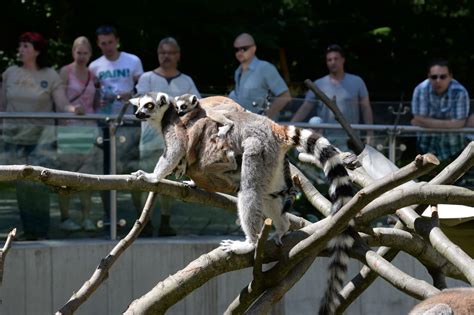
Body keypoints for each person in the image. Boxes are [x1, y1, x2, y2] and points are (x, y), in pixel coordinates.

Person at [0, 32, 83, 240]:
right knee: (20, 187)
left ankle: (41, 231)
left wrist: (73, 109)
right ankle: (27, 231)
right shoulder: (10, 72)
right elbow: (1, 105)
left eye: (26, 46)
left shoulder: (50, 75)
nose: (21, 50)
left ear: (37, 50)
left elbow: (62, 103)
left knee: (39, 184)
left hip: (41, 140)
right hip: (12, 138)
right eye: (20, 46)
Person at [135, 37, 200, 236]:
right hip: (149, 140)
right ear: (157, 55)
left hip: (176, 143)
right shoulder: (147, 78)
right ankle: (142, 223)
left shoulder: (186, 81)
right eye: (163, 53)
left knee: (167, 184)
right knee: (143, 181)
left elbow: (198, 107)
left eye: (171, 53)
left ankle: (165, 222)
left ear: (178, 55)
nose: (166, 56)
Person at [89, 25, 144, 227]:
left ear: (117, 40)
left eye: (110, 42)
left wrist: (127, 96)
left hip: (130, 122)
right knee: (107, 172)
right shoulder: (94, 66)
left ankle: (140, 218)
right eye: (103, 43)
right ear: (98, 44)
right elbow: (90, 96)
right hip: (104, 124)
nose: (107, 47)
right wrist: (98, 100)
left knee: (132, 169)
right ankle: (108, 216)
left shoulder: (132, 61)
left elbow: (142, 89)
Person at [291, 44, 373, 151]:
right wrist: (289, 127)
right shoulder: (318, 84)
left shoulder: (357, 82)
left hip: (351, 140)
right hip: (325, 139)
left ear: (343, 60)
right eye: (329, 60)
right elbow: (305, 107)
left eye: (336, 59)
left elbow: (365, 108)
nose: (332, 62)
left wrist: (370, 132)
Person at [57, 36, 101, 232]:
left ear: (90, 54)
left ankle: (86, 217)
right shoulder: (65, 72)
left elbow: (96, 102)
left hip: (89, 130)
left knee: (87, 176)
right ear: (73, 52)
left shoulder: (93, 75)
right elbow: (58, 101)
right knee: (66, 176)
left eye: (85, 53)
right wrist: (71, 109)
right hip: (69, 129)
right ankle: (65, 217)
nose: (81, 56)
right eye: (78, 52)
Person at [410, 59, 470, 161]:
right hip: (425, 149)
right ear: (429, 76)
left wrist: (424, 121)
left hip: (454, 149)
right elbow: (418, 119)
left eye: (443, 77)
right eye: (434, 77)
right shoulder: (420, 90)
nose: (438, 80)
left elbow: (459, 124)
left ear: (450, 76)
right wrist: (450, 123)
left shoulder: (460, 91)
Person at [228, 33, 291, 118]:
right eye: (237, 49)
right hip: (244, 124)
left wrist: (264, 118)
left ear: (253, 48)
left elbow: (285, 96)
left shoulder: (265, 68)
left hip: (263, 127)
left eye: (244, 48)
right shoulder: (238, 72)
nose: (239, 52)